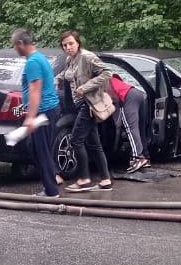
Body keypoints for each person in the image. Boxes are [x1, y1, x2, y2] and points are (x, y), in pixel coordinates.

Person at [58, 30, 114, 193]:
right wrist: (56, 79)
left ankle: (84, 179)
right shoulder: (70, 59)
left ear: (78, 43)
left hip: (88, 104)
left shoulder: (87, 57)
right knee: (94, 144)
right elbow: (66, 74)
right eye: (64, 45)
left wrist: (86, 87)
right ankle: (105, 180)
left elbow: (107, 73)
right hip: (79, 105)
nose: (68, 47)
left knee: (76, 140)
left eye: (71, 43)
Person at [12, 29, 62, 198]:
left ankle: (51, 191)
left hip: (44, 111)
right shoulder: (39, 58)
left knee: (41, 150)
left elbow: (35, 90)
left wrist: (30, 117)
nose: (15, 49)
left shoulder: (33, 62)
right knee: (34, 147)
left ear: (21, 43)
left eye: (15, 45)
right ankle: (52, 180)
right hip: (46, 110)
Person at [110, 72, 150, 173]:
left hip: (127, 97)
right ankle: (145, 157)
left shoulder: (102, 83)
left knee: (130, 128)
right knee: (140, 128)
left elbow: (114, 99)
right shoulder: (112, 78)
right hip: (138, 94)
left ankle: (138, 158)